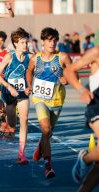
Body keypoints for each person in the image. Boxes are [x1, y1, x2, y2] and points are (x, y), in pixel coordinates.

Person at [26, 27, 72, 178]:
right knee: (46, 130)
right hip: (40, 99)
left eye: (54, 40)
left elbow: (72, 76)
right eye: (49, 40)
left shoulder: (63, 57)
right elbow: (29, 71)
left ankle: (41, 147)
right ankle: (48, 167)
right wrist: (28, 85)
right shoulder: (35, 58)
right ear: (43, 42)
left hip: (57, 100)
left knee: (48, 132)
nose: (52, 43)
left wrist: (64, 78)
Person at [64, 45, 99, 192]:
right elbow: (68, 71)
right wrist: (82, 90)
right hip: (96, 102)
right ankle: (84, 158)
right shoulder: (96, 52)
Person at [0, 28, 31, 164]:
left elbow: (31, 74)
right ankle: (9, 117)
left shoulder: (29, 57)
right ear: (15, 43)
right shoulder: (9, 56)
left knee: (24, 120)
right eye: (22, 43)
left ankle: (21, 154)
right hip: (8, 92)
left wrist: (29, 86)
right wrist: (9, 87)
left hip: (22, 92)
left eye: (26, 42)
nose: (25, 45)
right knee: (12, 123)